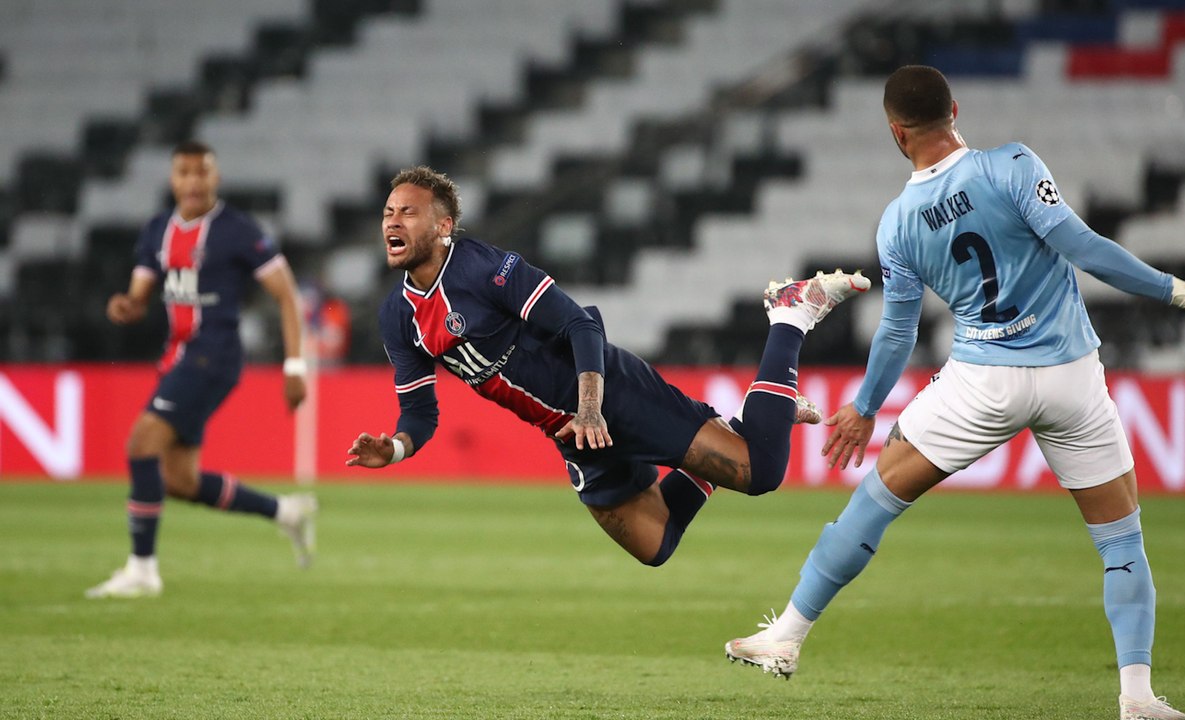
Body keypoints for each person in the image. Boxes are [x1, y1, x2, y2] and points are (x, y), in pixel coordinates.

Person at [723, 66, 1185, 720]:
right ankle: (1138, 697)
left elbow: (898, 330)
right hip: (1069, 375)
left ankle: (788, 636)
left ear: (897, 133)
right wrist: (1183, 292)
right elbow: (1081, 246)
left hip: (983, 382)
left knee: (877, 498)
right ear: (955, 107)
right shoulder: (1012, 165)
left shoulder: (897, 223)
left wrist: (865, 408)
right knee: (1121, 543)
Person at [345, 166, 871, 566]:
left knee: (761, 474)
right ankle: (738, 422)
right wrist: (393, 449)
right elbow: (420, 414)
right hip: (570, 431)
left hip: (610, 394)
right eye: (388, 212)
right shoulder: (398, 317)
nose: (392, 220)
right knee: (654, 545)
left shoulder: (484, 269)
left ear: (443, 226)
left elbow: (582, 325)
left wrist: (592, 408)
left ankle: (790, 315)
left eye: (407, 211)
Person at [87, 141, 319, 599]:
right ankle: (285, 511)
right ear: (172, 179)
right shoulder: (156, 231)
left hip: (215, 354)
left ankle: (142, 569)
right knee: (179, 481)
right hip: (177, 358)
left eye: (202, 172)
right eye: (184, 172)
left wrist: (295, 366)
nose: (193, 181)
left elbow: (287, 295)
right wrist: (127, 306)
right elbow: (140, 294)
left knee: (141, 442)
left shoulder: (237, 230)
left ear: (216, 178)